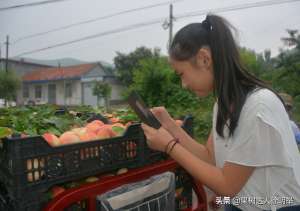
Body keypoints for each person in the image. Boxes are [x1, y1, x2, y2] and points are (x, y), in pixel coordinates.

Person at [141, 14, 300, 211]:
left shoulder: (258, 106)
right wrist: (171, 126)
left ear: (204, 59)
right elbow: (211, 158)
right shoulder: (224, 104)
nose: (183, 84)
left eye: (182, 74)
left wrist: (169, 146)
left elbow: (227, 185)